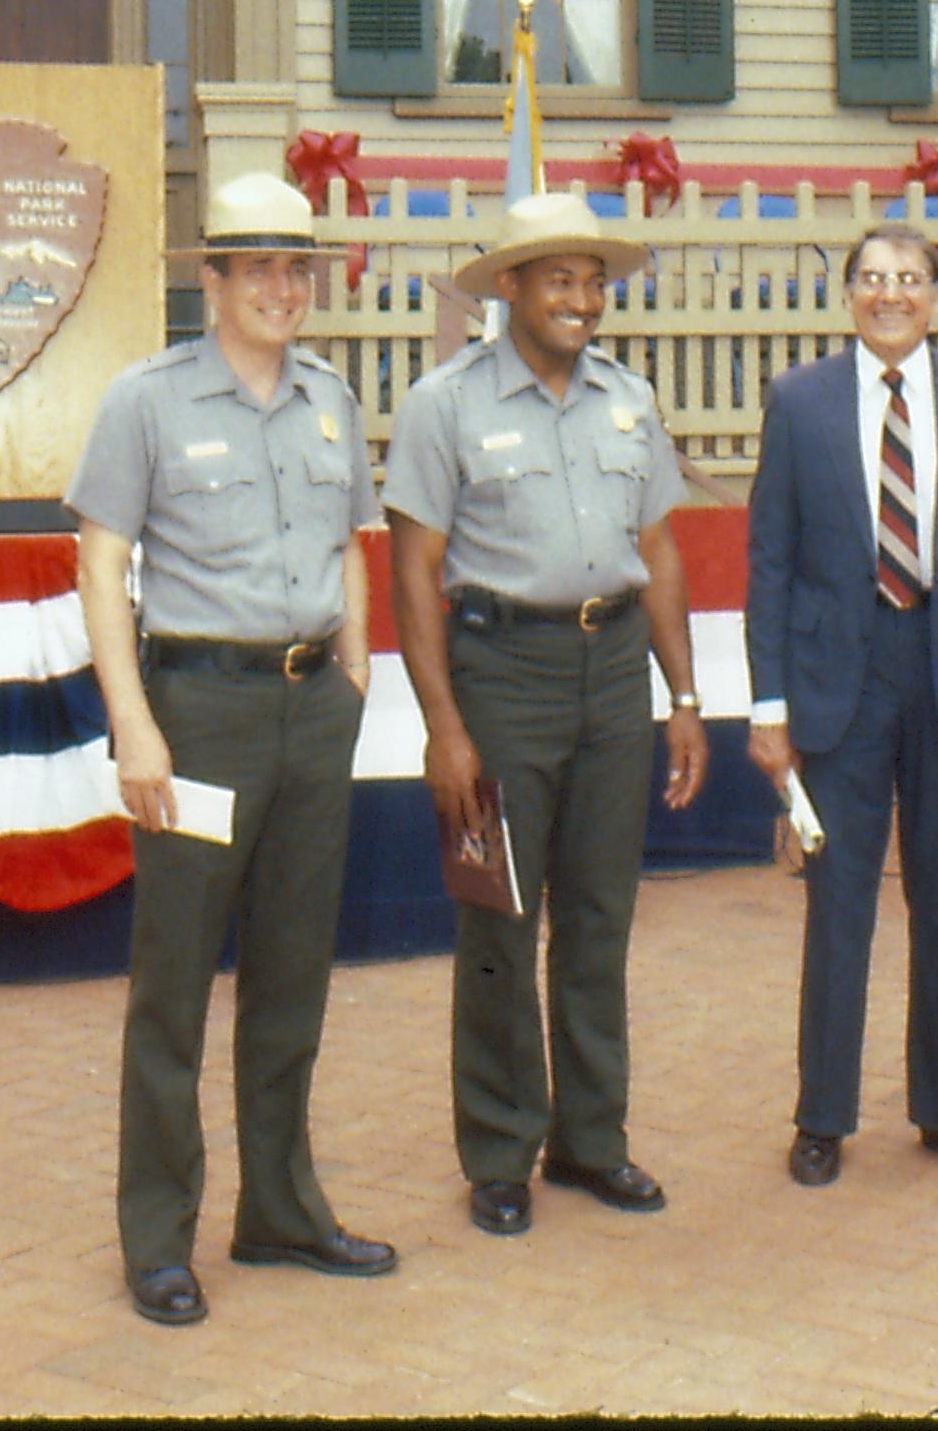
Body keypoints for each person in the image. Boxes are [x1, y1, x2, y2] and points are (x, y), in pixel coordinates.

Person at [66, 173, 392, 1329]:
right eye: (255, 266)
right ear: (208, 280)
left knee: (294, 972)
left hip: (311, 712)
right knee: (173, 986)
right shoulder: (145, 399)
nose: (280, 287)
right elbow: (100, 566)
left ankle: (281, 1211)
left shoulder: (329, 400)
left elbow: (354, 542)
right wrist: (134, 726)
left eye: (296, 267)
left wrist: (352, 669)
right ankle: (157, 1235)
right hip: (197, 713)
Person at [381, 190, 710, 1239]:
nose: (580, 299)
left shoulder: (627, 397)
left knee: (600, 914)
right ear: (509, 288)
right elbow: (411, 570)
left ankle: (590, 1141)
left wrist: (685, 696)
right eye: (558, 279)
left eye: (592, 280)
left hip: (611, 670)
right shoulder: (445, 403)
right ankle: (497, 1148)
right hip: (501, 670)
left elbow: (656, 550)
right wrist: (444, 727)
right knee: (497, 916)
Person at [743, 221, 938, 1189]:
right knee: (837, 903)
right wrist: (768, 705)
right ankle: (822, 1113)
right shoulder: (798, 401)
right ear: (846, 293)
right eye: (871, 278)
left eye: (908, 278)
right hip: (839, 685)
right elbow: (770, 562)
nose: (889, 294)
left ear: (936, 294)